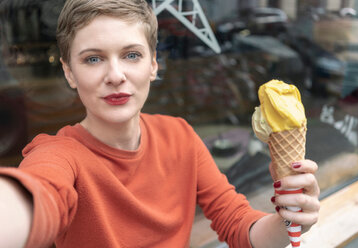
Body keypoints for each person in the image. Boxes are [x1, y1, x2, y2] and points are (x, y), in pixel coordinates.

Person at [0, 0, 320, 247]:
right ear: (69, 72)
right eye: (93, 59)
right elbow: (37, 194)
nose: (115, 75)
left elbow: (237, 223)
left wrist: (289, 222)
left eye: (131, 55)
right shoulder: (58, 154)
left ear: (153, 64)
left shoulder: (179, 136)